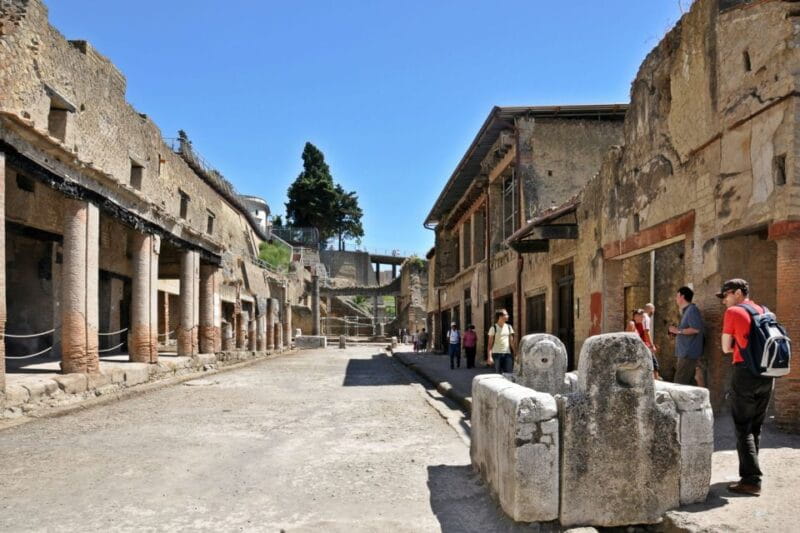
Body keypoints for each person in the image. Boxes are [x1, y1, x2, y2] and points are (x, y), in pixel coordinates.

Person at [718, 278, 774, 496]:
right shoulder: (765, 311)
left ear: (739, 293)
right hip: (767, 374)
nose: (724, 301)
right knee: (755, 427)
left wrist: (740, 346)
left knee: (743, 427)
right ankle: (751, 474)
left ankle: (751, 480)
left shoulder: (734, 313)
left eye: (726, 295)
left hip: (745, 373)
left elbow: (725, 348)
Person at [668, 286, 705, 385]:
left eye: (677, 296)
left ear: (681, 296)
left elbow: (696, 329)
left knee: (679, 383)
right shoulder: (687, 311)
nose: (676, 299)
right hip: (685, 353)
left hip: (688, 354)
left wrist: (678, 331)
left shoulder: (692, 310)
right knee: (688, 384)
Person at [627, 308, 660, 379]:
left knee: (654, 366)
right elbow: (629, 339)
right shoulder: (632, 324)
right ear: (634, 316)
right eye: (639, 316)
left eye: (642, 316)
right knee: (653, 365)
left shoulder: (641, 324)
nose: (641, 317)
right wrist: (651, 345)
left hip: (644, 348)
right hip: (638, 350)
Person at [487, 309, 515, 374]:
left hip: (507, 353)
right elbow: (489, 344)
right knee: (498, 375)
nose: (508, 316)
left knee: (509, 374)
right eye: (506, 315)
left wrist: (515, 353)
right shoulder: (493, 328)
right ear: (500, 317)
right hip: (496, 354)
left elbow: (512, 342)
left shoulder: (509, 327)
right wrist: (489, 357)